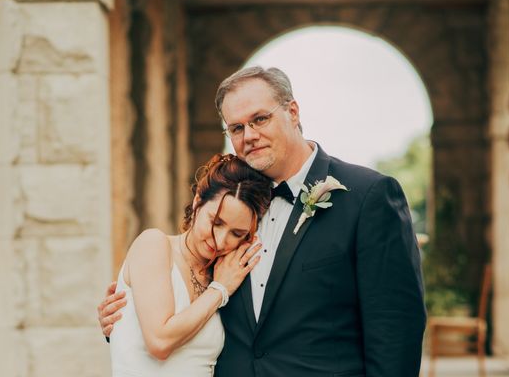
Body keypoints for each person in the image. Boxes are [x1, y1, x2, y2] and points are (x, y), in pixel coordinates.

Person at [99, 66, 427, 376]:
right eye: (237, 128)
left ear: (293, 113)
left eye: (259, 119)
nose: (249, 135)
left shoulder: (367, 196)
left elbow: (395, 327)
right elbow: (180, 309)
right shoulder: (232, 210)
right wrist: (127, 321)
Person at [107, 153, 272, 376]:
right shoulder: (153, 245)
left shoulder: (227, 274)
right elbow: (159, 342)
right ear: (197, 203)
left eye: (237, 233)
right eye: (216, 222)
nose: (220, 240)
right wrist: (220, 290)